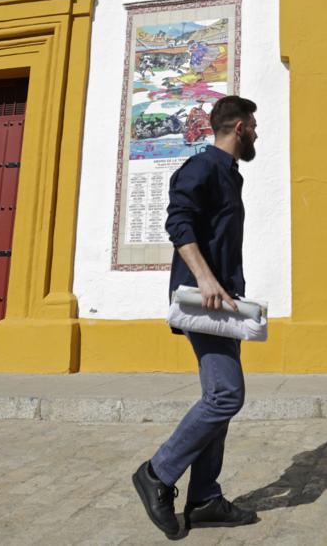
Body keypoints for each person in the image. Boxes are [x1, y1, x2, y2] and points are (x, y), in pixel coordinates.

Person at [132, 96, 260, 538]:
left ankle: (204, 498)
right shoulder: (202, 168)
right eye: (255, 126)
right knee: (226, 395)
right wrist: (206, 280)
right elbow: (178, 222)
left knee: (219, 400)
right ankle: (157, 473)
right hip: (202, 300)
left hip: (224, 303)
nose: (257, 133)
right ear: (239, 127)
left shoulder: (229, 175)